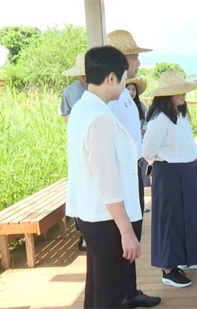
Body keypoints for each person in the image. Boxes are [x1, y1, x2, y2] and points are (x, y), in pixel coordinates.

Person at [66, 45, 140, 308]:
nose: (124, 83)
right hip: (106, 219)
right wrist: (127, 231)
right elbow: (107, 181)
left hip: (92, 214)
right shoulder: (98, 118)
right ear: (111, 78)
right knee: (110, 293)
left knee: (98, 290)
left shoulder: (82, 109)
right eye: (123, 77)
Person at [105, 29, 161, 308]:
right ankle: (121, 294)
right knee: (123, 235)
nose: (138, 62)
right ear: (120, 59)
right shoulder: (112, 96)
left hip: (133, 171)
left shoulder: (126, 94)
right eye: (135, 56)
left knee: (135, 230)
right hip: (120, 176)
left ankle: (131, 289)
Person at [143, 70, 197, 288]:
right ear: (167, 95)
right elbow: (148, 150)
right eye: (180, 92)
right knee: (169, 219)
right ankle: (168, 269)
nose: (184, 95)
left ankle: (181, 260)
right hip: (168, 172)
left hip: (186, 170)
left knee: (185, 216)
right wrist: (164, 162)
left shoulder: (179, 115)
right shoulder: (159, 119)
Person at [60, 52, 88, 251]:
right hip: (79, 146)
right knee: (81, 190)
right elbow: (67, 117)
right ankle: (83, 234)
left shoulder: (100, 90)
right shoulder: (69, 92)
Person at [126, 78, 151, 212]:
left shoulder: (141, 106)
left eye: (133, 89)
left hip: (141, 144)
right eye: (128, 89)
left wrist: (143, 129)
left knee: (141, 177)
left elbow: (148, 121)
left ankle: (142, 203)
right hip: (128, 147)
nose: (131, 92)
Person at [60, 53, 88, 123]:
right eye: (82, 75)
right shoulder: (68, 91)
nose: (85, 77)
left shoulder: (101, 89)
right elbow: (66, 116)